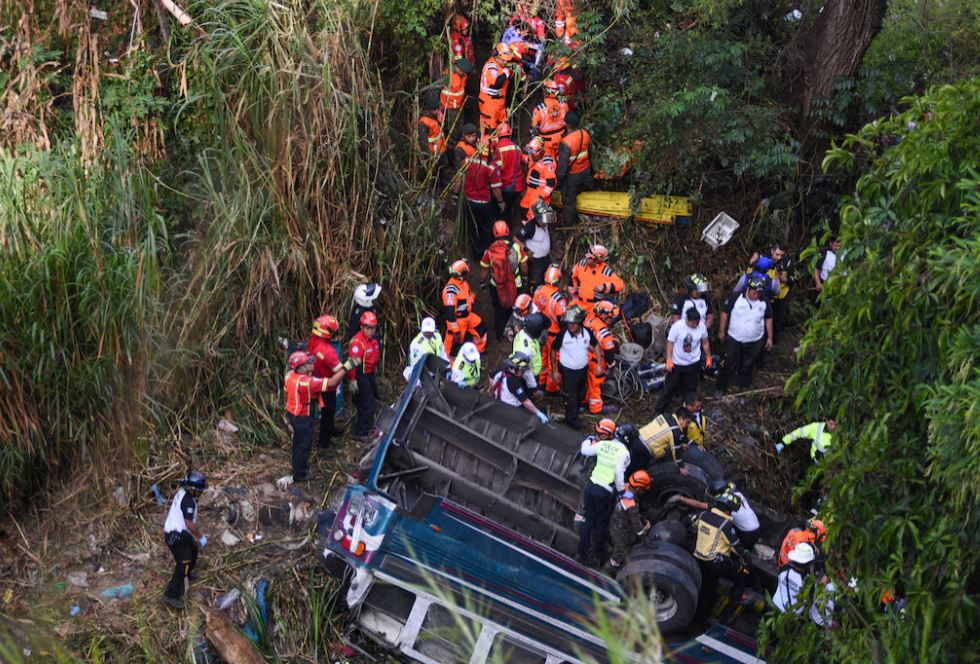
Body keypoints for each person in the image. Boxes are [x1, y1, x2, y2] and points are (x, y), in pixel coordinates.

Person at [285, 350, 357, 480]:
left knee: (298, 442)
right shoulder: (307, 383)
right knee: (303, 444)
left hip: (292, 413)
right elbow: (331, 382)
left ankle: (299, 468)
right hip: (303, 416)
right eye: (308, 363)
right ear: (300, 367)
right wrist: (346, 367)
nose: (312, 363)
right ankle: (300, 474)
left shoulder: (290, 375)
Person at [577, 418, 629, 564]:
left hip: (590, 487)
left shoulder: (601, 445)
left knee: (588, 520)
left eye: (600, 434)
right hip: (604, 492)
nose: (598, 437)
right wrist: (622, 492)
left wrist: (589, 439)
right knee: (601, 524)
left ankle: (581, 553)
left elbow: (585, 450)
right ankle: (598, 553)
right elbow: (619, 474)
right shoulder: (623, 452)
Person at [692, 490, 747, 624]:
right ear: (728, 511)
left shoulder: (703, 515)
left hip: (697, 558)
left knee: (704, 588)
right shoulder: (725, 525)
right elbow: (737, 547)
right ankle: (731, 603)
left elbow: (694, 524)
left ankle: (697, 614)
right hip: (713, 564)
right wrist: (746, 556)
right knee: (741, 573)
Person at [715, 278, 773, 396]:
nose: (757, 295)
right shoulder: (736, 297)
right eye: (754, 292)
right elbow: (725, 312)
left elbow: (769, 318)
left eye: (759, 293)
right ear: (748, 289)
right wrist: (721, 331)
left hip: (754, 340)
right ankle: (721, 387)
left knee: (748, 363)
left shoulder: (764, 301)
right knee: (728, 363)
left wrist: (770, 337)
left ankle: (744, 385)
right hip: (734, 338)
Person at [550, 304, 602, 430]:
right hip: (567, 372)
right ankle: (572, 420)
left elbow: (596, 345)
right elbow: (553, 349)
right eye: (569, 323)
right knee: (570, 396)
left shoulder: (587, 333)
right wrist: (554, 371)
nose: (571, 326)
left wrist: (600, 364)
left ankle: (575, 411)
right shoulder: (563, 335)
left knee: (581, 393)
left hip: (582, 370)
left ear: (580, 322)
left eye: (574, 323)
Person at [162, 471, 208, 610]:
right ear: (193, 490)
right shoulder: (188, 500)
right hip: (175, 535)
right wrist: (201, 537)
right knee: (184, 563)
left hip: (179, 531)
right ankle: (171, 595)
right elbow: (189, 523)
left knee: (193, 550)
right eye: (200, 491)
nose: (201, 493)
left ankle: (188, 573)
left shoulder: (184, 493)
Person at [655, 308, 712, 413]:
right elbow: (670, 343)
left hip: (693, 363)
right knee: (670, 388)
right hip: (677, 363)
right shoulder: (677, 327)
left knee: (690, 390)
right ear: (687, 319)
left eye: (697, 323)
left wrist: (708, 357)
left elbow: (705, 342)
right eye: (693, 323)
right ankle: (659, 410)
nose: (695, 325)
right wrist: (669, 359)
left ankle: (688, 411)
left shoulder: (701, 327)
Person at [480, 220, 529, 339]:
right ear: (507, 231)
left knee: (498, 310)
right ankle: (515, 334)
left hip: (496, 286)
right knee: (515, 309)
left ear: (494, 233)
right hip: (515, 284)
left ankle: (500, 335)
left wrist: (482, 284)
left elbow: (484, 271)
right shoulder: (516, 247)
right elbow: (523, 266)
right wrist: (525, 277)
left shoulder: (489, 251)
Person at [459, 138, 505, 258]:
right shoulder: (491, 167)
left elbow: (458, 179)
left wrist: (455, 194)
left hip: (469, 201)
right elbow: (496, 189)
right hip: (484, 203)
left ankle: (474, 252)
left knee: (472, 227)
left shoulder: (467, 160)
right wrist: (501, 202)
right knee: (486, 228)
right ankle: (484, 254)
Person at [307, 315, 345, 450]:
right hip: (328, 385)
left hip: (316, 381)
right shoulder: (328, 351)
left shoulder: (312, 342)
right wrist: (350, 365)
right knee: (328, 412)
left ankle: (330, 430)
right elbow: (339, 370)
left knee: (326, 411)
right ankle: (325, 441)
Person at [441, 259, 488, 357]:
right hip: (457, 321)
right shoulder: (451, 290)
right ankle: (448, 364)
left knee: (481, 329)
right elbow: (449, 313)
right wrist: (455, 330)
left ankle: (477, 354)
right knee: (454, 345)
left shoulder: (463, 284)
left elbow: (469, 298)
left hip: (468, 316)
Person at [608, 470, 652, 570]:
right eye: (643, 489)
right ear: (639, 488)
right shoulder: (632, 503)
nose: (644, 491)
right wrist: (644, 539)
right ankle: (609, 570)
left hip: (614, 522)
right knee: (620, 553)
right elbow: (636, 523)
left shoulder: (625, 487)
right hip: (621, 532)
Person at [533, 264, 567, 393]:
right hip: (554, 333)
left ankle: (541, 382)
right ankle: (552, 387)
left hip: (541, 331)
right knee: (554, 360)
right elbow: (562, 320)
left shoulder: (538, 291)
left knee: (543, 357)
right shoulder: (558, 299)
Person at [347, 312, 381, 441]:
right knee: (367, 403)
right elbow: (352, 363)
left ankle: (368, 425)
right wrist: (352, 379)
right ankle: (361, 432)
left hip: (370, 373)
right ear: (361, 327)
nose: (370, 331)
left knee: (372, 400)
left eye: (373, 328)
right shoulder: (357, 343)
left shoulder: (373, 340)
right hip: (360, 374)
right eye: (368, 328)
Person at [555, 111, 592, 225]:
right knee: (587, 192)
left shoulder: (566, 142)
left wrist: (558, 179)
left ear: (567, 124)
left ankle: (568, 224)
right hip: (586, 171)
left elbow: (562, 168)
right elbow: (590, 154)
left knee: (569, 201)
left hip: (573, 176)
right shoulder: (585, 134)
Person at [748, 244, 791, 342]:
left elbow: (794, 277)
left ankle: (771, 342)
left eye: (781, 255)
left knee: (775, 320)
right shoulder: (763, 260)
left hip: (780, 296)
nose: (779, 257)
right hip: (763, 297)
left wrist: (785, 279)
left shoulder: (787, 262)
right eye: (777, 254)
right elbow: (749, 277)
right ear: (772, 251)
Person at [491, 352, 550, 423]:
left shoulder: (498, 372)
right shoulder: (513, 382)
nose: (524, 372)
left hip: (499, 402)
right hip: (512, 410)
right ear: (516, 369)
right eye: (522, 371)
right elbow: (525, 401)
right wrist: (538, 412)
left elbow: (490, 376)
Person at [584, 300, 619, 415]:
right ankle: (596, 408)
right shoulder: (604, 332)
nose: (611, 320)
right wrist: (611, 363)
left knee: (586, 382)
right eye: (611, 317)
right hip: (595, 361)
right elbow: (609, 351)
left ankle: (584, 401)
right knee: (595, 384)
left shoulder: (589, 321)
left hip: (585, 357)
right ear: (603, 315)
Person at [633, 408, 692, 474]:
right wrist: (681, 467)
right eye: (687, 422)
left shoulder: (664, 416)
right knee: (638, 474)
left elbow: (663, 435)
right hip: (643, 449)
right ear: (681, 419)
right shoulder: (675, 430)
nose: (687, 425)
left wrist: (679, 446)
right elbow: (676, 453)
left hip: (636, 438)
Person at [570, 244, 624, 308]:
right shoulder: (582, 264)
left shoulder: (605, 271)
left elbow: (620, 285)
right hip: (578, 304)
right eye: (587, 256)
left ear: (598, 259)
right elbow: (572, 277)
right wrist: (573, 294)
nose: (587, 258)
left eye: (590, 257)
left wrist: (604, 287)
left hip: (594, 307)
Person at [516, 199, 555, 287]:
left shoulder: (545, 224)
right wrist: (526, 251)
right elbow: (516, 239)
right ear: (538, 218)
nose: (546, 222)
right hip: (535, 261)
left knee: (549, 279)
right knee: (536, 283)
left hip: (546, 258)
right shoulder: (530, 226)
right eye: (544, 219)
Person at [478, 44, 516, 134]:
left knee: (501, 130)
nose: (505, 63)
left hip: (499, 104)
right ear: (496, 56)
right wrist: (506, 73)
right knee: (489, 132)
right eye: (503, 60)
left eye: (507, 61)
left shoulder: (501, 67)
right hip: (489, 105)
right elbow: (496, 83)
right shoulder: (491, 67)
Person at [517, 137, 557, 221]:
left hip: (539, 193)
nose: (531, 154)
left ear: (540, 151)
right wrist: (516, 153)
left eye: (533, 152)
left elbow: (551, 183)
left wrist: (542, 196)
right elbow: (526, 159)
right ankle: (528, 228)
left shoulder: (546, 162)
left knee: (533, 218)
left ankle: (536, 232)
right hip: (530, 191)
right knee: (523, 209)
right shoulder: (533, 157)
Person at [774, 542, 817, 614]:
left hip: (775, 604)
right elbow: (811, 598)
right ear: (809, 563)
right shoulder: (807, 580)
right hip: (791, 615)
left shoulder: (784, 569)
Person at [531, 79, 568, 158]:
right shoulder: (564, 104)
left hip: (546, 142)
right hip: (562, 138)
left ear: (546, 91)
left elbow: (534, 128)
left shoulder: (539, 109)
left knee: (547, 163)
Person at [439, 57, 474, 141]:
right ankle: (452, 144)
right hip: (449, 107)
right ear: (457, 67)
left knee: (460, 125)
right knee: (452, 129)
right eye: (462, 71)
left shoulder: (463, 75)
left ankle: (460, 140)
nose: (463, 73)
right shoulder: (447, 76)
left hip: (459, 105)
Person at [495, 122, 524, 220]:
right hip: (517, 187)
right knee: (511, 210)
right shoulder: (517, 148)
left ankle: (502, 229)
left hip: (504, 188)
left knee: (502, 213)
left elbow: (496, 171)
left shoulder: (497, 149)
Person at [513, 312, 548, 390]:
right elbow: (522, 371)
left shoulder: (523, 333)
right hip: (528, 378)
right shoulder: (526, 349)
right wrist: (534, 388)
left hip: (532, 373)